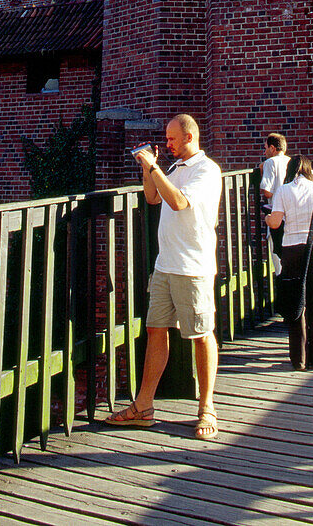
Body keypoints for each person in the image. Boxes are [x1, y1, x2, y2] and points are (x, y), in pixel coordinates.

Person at [105, 114, 222, 440]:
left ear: (189, 137)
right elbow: (153, 198)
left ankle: (206, 407)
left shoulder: (206, 170)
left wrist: (155, 167)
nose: (167, 143)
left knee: (201, 334)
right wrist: (148, 171)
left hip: (193, 267)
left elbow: (180, 201)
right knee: (156, 330)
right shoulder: (174, 169)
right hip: (165, 264)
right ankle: (144, 406)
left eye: (172, 139)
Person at [266, 154, 313, 370]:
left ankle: (299, 359)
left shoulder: (283, 190)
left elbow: (276, 222)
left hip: (292, 250)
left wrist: (267, 218)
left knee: (296, 302)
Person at [261, 132, 290, 275]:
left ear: (272, 148)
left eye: (265, 148)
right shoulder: (291, 161)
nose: (264, 151)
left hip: (277, 214)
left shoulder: (270, 162)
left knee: (277, 258)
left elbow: (267, 191)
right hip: (292, 214)